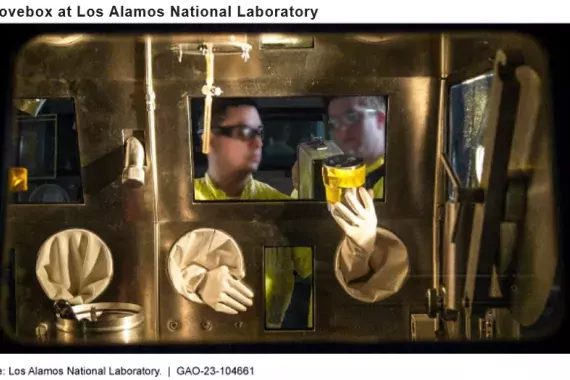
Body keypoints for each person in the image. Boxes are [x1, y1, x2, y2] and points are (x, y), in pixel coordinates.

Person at [291, 96, 386, 199]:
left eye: (352, 118)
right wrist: (304, 187)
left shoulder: (391, 180)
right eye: (335, 124)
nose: (341, 133)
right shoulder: (342, 171)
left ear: (380, 119)